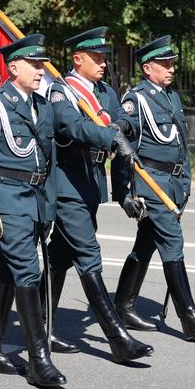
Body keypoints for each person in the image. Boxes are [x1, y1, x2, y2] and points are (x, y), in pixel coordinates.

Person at [0, 34, 65, 388]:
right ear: (14, 66)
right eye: (35, 65)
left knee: (7, 270)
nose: (41, 71)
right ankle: (39, 360)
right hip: (7, 202)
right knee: (28, 272)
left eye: (42, 64)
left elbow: (48, 162)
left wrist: (48, 209)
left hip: (35, 202)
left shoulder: (43, 106)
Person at [44, 26, 153, 362]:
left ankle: (41, 327)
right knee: (88, 255)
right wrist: (110, 135)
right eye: (96, 57)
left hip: (91, 184)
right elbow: (71, 127)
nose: (103, 62)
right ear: (78, 59)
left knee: (59, 258)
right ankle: (117, 339)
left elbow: (125, 122)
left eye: (104, 57)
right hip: (67, 186)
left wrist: (118, 129)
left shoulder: (105, 92)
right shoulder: (62, 91)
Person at [112, 36, 195, 341]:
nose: (171, 68)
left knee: (146, 244)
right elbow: (123, 146)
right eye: (165, 64)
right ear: (148, 68)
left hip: (172, 184)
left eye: (172, 63)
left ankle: (123, 305)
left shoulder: (171, 96)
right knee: (173, 243)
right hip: (151, 185)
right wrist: (123, 194)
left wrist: (185, 184)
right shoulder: (136, 100)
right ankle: (189, 317)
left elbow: (181, 145)